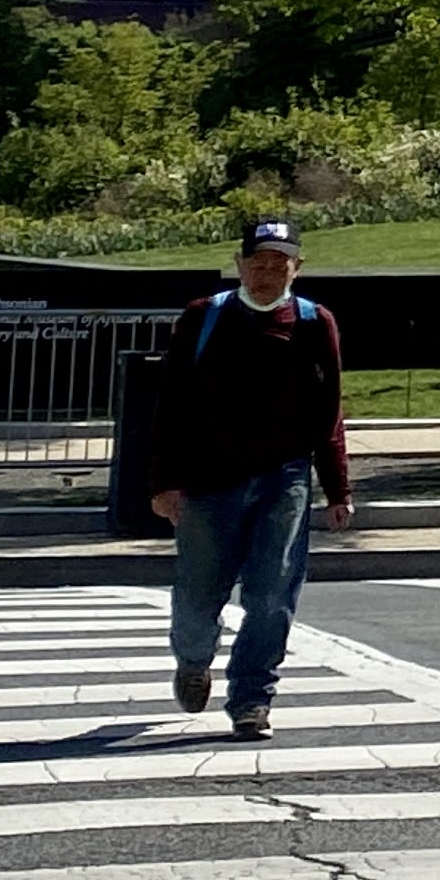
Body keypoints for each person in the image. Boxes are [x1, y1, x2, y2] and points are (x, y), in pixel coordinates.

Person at [147, 216, 354, 738]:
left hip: (283, 478)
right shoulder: (203, 318)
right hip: (207, 479)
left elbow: (328, 413)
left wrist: (337, 489)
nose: (267, 274)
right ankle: (194, 660)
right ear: (240, 265)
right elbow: (169, 407)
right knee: (198, 596)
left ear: (296, 268)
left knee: (271, 595)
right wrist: (163, 483)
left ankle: (251, 699)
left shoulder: (313, 322)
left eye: (278, 264)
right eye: (258, 264)